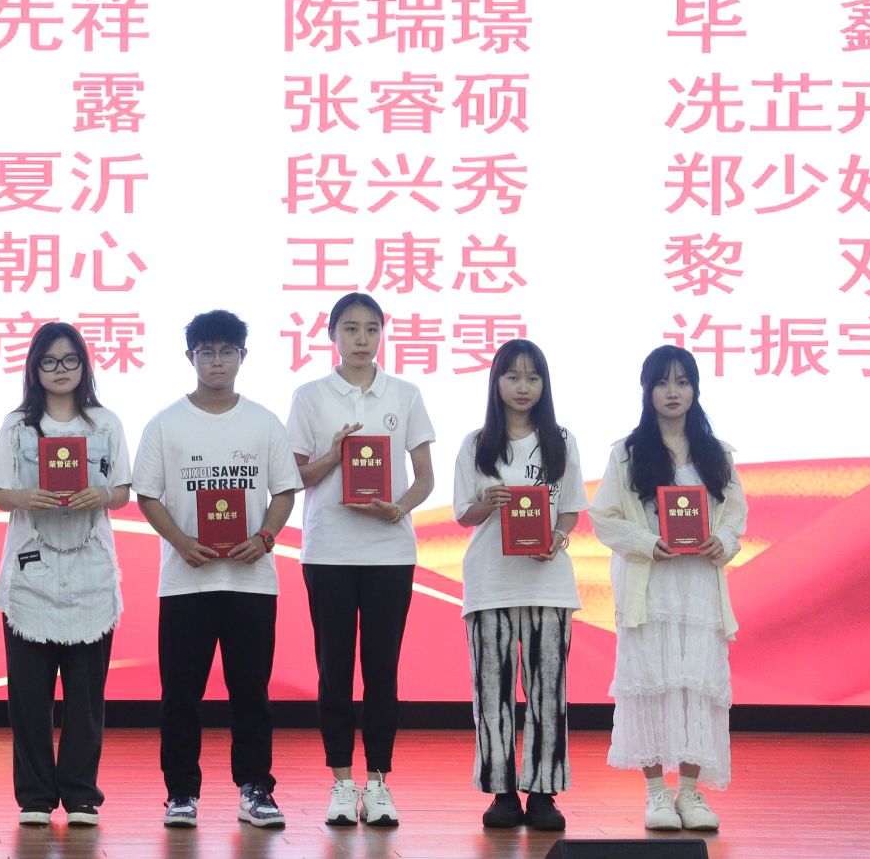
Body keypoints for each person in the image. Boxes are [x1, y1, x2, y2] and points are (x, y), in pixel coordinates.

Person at [133, 310, 300, 831]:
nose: (217, 361)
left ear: (242, 357)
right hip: (186, 582)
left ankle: (255, 789)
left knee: (251, 693)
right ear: (191, 357)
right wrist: (180, 542)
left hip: (252, 581)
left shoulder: (263, 422)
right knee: (181, 694)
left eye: (227, 351)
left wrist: (265, 538)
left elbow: (284, 491)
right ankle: (181, 793)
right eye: (207, 352)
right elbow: (146, 494)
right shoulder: (165, 423)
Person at [285, 292, 435, 828]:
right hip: (328, 551)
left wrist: (399, 508)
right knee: (334, 669)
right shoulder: (310, 396)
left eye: (372, 328)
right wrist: (333, 453)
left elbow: (425, 479)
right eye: (350, 329)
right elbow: (294, 476)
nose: (362, 339)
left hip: (389, 553)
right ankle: (341, 783)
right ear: (332, 335)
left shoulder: (405, 394)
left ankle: (379, 782)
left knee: (382, 670)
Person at [589, 346, 746, 834]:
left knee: (698, 684)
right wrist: (645, 542)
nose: (673, 392)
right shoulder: (628, 453)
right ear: (647, 390)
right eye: (662, 382)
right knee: (651, 683)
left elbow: (735, 516)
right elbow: (603, 518)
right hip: (649, 586)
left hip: (698, 587)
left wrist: (723, 541)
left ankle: (691, 794)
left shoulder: (716, 454)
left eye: (682, 381)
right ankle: (657, 793)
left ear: (696, 389)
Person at [0, 321, 132, 829]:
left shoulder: (105, 423)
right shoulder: (16, 426)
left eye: (70, 359)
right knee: (29, 698)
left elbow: (123, 491)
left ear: (84, 365)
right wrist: (25, 497)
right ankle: (34, 795)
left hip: (91, 572)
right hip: (31, 573)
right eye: (49, 361)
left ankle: (81, 794)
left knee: (85, 698)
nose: (60, 370)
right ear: (34, 368)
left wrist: (102, 495)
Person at [451, 339, 585, 832]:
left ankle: (544, 792)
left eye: (532, 377)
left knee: (549, 691)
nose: (523, 387)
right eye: (512, 376)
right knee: (493, 691)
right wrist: (487, 502)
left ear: (544, 384)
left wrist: (557, 539)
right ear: (496, 383)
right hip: (490, 583)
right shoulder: (476, 443)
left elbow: (570, 509)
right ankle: (502, 792)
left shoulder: (562, 441)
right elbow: (464, 515)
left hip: (549, 584)